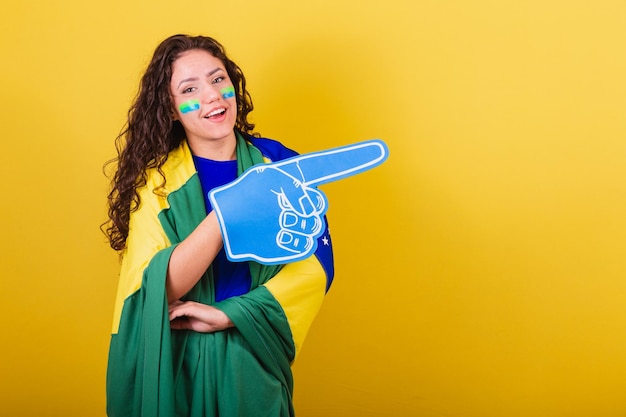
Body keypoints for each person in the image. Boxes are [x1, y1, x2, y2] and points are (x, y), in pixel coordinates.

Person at [103, 34, 334, 417]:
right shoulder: (158, 184)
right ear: (172, 109)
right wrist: (229, 210)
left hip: (252, 355)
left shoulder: (279, 165)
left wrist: (231, 314)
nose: (211, 96)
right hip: (178, 363)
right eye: (189, 88)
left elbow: (314, 266)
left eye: (218, 79)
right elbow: (158, 286)